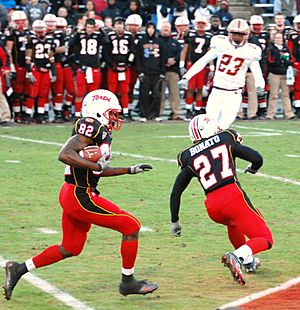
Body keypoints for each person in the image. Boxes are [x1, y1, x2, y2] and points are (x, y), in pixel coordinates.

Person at [3, 89, 159, 301]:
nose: (115, 118)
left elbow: (98, 169)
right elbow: (65, 155)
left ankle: (19, 268)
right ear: (98, 111)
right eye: (111, 113)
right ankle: (128, 282)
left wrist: (129, 169)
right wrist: (95, 164)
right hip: (80, 195)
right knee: (131, 226)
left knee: (71, 247)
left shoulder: (101, 132)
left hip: (72, 193)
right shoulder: (90, 126)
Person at [169, 114, 273, 285]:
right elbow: (257, 158)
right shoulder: (225, 138)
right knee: (266, 238)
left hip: (212, 206)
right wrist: (254, 168)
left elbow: (176, 192)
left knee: (233, 224)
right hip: (232, 196)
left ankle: (248, 262)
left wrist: (175, 221)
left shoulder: (188, 155)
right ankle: (237, 256)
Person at [181, 19, 265, 130]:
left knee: (224, 126)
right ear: (229, 33)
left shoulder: (251, 50)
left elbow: (257, 71)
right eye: (235, 34)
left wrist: (260, 85)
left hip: (234, 93)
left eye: (240, 34)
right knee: (209, 124)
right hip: (217, 91)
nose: (237, 37)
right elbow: (203, 60)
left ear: (247, 35)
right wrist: (187, 76)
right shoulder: (221, 43)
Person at [136, 21, 165, 122]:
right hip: (145, 72)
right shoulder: (141, 42)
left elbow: (163, 58)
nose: (150, 30)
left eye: (152, 28)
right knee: (144, 94)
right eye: (149, 28)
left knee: (156, 94)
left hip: (157, 72)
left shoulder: (160, 42)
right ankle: (144, 114)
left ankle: (155, 114)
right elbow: (138, 57)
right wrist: (140, 71)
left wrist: (162, 72)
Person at [266, 31, 295, 120]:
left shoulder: (286, 49)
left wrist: (287, 62)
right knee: (273, 94)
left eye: (280, 38)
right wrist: (280, 61)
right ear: (274, 39)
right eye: (277, 38)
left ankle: (289, 113)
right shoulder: (271, 49)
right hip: (274, 74)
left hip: (284, 74)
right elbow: (270, 60)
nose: (279, 40)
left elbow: (292, 59)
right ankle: (271, 114)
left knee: (286, 94)